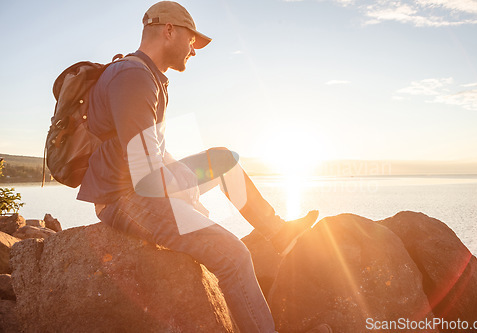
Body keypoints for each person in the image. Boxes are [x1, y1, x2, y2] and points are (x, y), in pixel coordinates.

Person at [77, 2, 332, 332]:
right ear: (168, 30)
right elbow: (146, 175)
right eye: (192, 39)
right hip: (125, 200)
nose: (194, 50)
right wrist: (184, 199)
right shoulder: (133, 77)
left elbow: (154, 154)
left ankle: (279, 234)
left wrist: (186, 189)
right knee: (233, 256)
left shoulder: (144, 74)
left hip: (138, 187)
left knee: (222, 160)